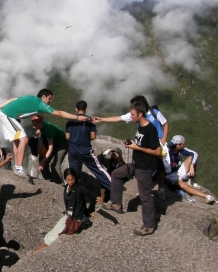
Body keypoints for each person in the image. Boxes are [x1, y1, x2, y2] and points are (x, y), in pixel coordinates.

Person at [0, 89, 90, 178]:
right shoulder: (40, 104)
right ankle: (18, 168)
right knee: (24, 139)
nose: (50, 101)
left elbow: (13, 99)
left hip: (7, 115)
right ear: (43, 97)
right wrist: (77, 117)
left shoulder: (31, 97)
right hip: (8, 116)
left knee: (17, 141)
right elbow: (58, 113)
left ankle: (17, 166)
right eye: (49, 99)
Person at [102, 101, 163, 236]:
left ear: (140, 114)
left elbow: (157, 152)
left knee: (145, 196)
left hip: (145, 167)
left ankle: (149, 226)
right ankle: (116, 203)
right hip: (136, 164)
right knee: (116, 174)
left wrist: (136, 147)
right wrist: (131, 143)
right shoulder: (140, 127)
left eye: (133, 114)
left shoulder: (150, 129)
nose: (131, 116)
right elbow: (141, 143)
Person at [93, 95, 171, 199]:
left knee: (160, 166)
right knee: (142, 167)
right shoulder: (134, 115)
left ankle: (160, 189)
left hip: (158, 143)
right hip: (144, 143)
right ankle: (143, 188)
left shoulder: (154, 113)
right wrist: (101, 119)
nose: (131, 112)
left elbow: (165, 123)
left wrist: (164, 138)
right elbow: (118, 118)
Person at [34, 168, 98, 253]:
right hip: (67, 215)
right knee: (51, 233)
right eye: (68, 180)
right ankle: (38, 249)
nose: (71, 181)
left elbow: (89, 194)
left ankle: (38, 251)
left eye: (72, 179)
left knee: (56, 235)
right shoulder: (66, 188)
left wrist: (96, 199)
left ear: (75, 178)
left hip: (74, 217)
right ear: (65, 179)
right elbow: (78, 203)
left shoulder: (79, 188)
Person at [65, 100, 110, 202]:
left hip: (72, 149)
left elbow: (67, 137)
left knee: (74, 174)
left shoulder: (70, 120)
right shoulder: (90, 120)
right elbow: (93, 136)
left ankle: (72, 196)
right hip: (85, 149)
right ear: (86, 109)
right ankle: (112, 187)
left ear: (76, 109)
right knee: (98, 169)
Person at [165, 135, 216, 204]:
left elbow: (194, 154)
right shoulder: (167, 150)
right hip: (169, 173)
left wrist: (192, 166)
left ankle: (191, 180)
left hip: (177, 170)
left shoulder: (181, 150)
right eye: (183, 144)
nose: (184, 145)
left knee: (192, 159)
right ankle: (206, 196)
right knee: (182, 185)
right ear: (178, 145)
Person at [29, 115, 68, 182]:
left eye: (35, 125)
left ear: (40, 122)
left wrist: (42, 163)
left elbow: (51, 148)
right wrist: (35, 136)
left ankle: (59, 182)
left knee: (55, 166)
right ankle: (49, 180)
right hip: (54, 143)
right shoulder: (42, 125)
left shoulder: (48, 129)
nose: (33, 127)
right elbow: (39, 130)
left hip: (62, 143)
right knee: (42, 161)